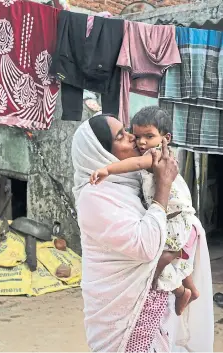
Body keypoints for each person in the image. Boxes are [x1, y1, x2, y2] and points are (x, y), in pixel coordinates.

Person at [71, 111, 214, 352]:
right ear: (101, 152)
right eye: (121, 136)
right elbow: (147, 247)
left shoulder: (132, 181)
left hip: (150, 300)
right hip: (121, 311)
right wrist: (164, 185)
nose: (133, 139)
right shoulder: (94, 194)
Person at [90, 107, 199, 316]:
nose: (141, 142)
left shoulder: (155, 155)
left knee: (160, 258)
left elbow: (137, 163)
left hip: (174, 219)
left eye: (149, 136)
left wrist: (108, 169)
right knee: (174, 259)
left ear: (165, 137)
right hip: (178, 217)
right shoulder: (159, 153)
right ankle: (191, 289)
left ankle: (180, 292)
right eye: (138, 136)